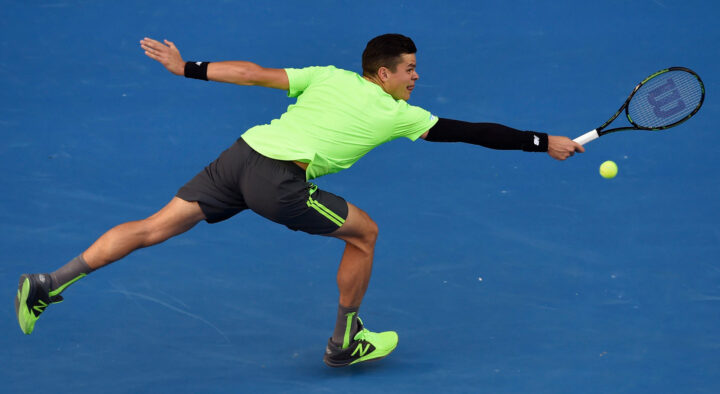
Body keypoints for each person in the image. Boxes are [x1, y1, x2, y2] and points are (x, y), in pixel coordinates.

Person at [14, 33, 584, 367]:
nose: (416, 79)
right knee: (365, 233)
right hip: (278, 182)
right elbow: (472, 131)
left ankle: (48, 282)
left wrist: (185, 67)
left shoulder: (329, 76)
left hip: (239, 156)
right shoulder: (399, 113)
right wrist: (544, 142)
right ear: (383, 74)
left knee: (152, 227)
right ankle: (344, 341)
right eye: (409, 71)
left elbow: (254, 74)